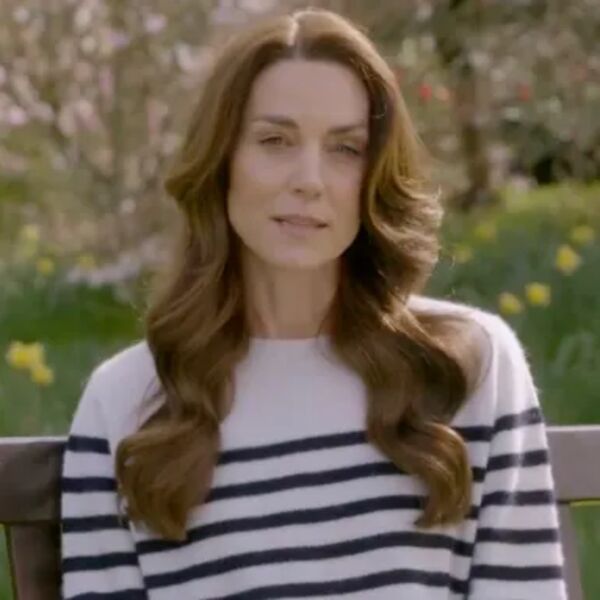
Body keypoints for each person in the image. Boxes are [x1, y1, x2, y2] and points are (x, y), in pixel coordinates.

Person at [60, 7, 568, 599]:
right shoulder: (127, 402)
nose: (309, 179)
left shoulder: (469, 367)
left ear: (374, 176)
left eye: (346, 149)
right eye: (275, 141)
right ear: (222, 162)